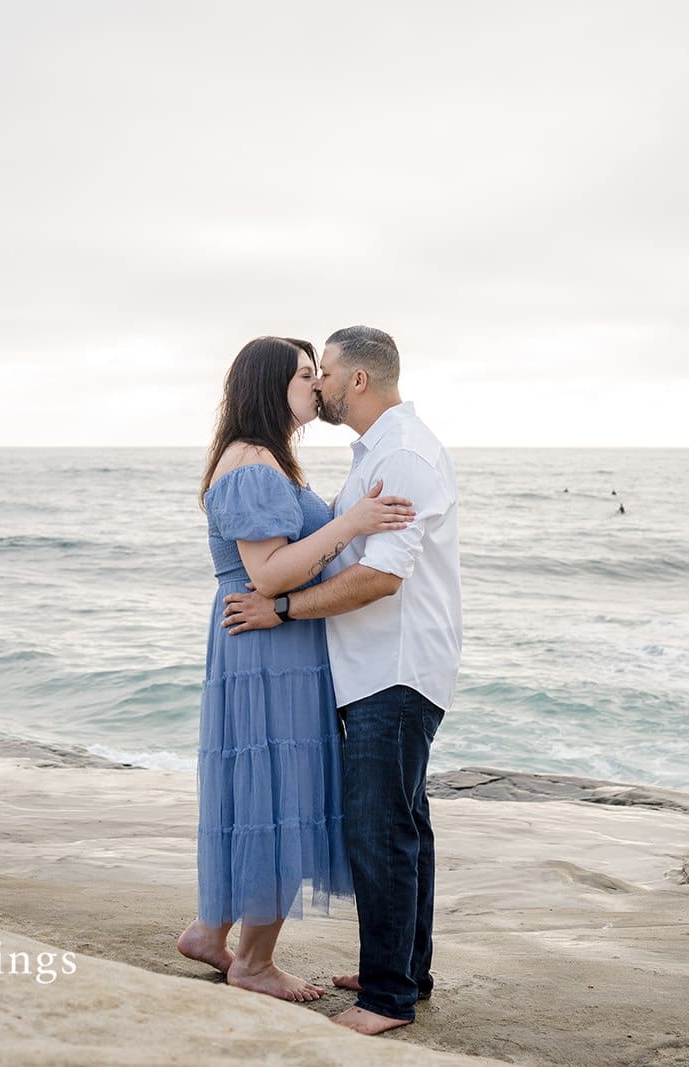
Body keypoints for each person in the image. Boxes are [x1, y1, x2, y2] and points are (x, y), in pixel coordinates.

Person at [222, 326, 462, 1036]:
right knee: (404, 823)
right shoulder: (378, 453)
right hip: (378, 667)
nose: (318, 383)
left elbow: (382, 576)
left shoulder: (405, 455)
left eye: (323, 370)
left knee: (380, 830)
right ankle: (404, 969)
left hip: (394, 667)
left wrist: (283, 607)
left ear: (357, 379)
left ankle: (386, 998)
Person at [176, 336, 416, 1003]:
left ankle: (210, 930)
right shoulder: (252, 464)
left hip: (270, 645)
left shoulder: (265, 459)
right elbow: (271, 571)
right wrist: (356, 521)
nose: (317, 384)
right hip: (266, 650)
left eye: (319, 373)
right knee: (279, 795)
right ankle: (252, 961)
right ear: (269, 385)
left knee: (260, 789)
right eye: (306, 375)